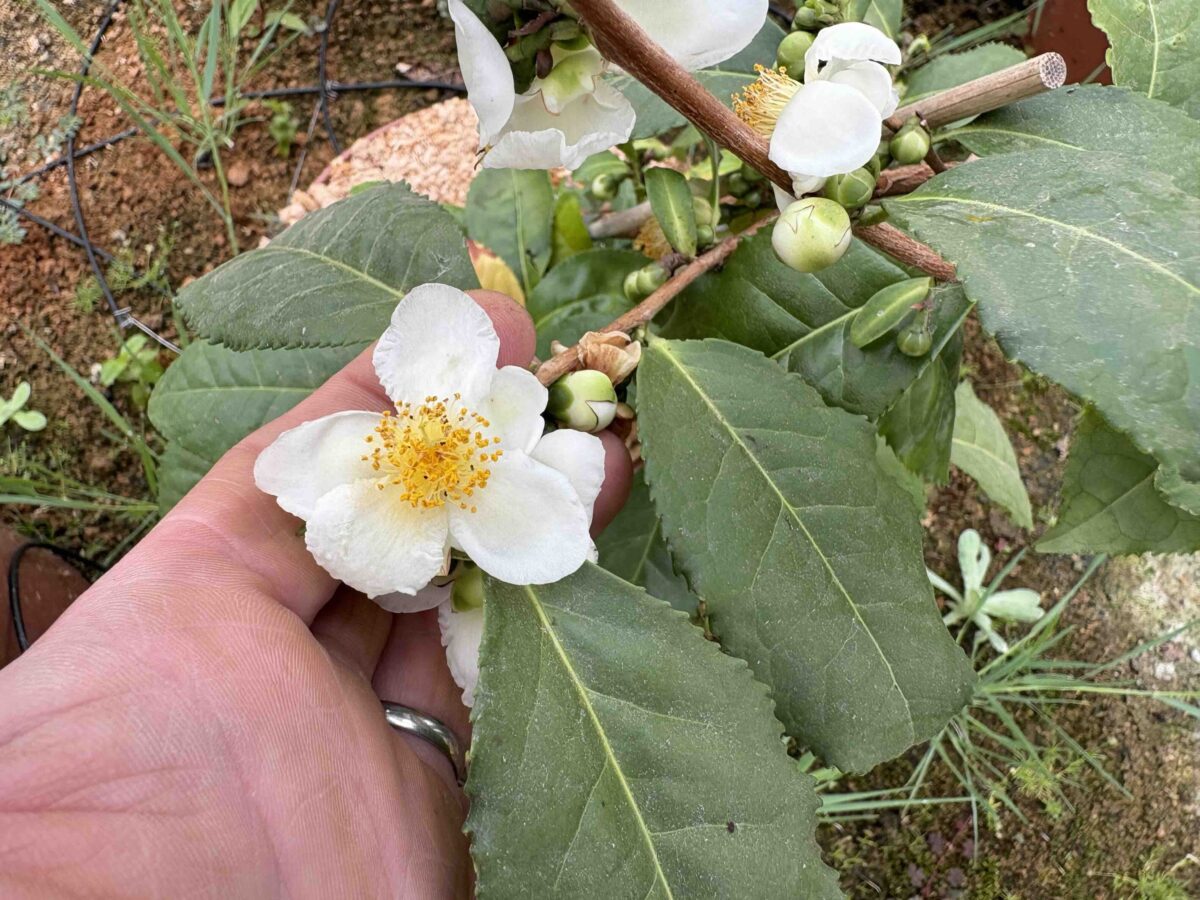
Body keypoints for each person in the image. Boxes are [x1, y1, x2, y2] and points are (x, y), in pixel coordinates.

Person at [0, 291, 633, 897]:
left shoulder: (502, 492)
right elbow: (321, 500)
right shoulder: (371, 468)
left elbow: (546, 525)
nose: (430, 448)